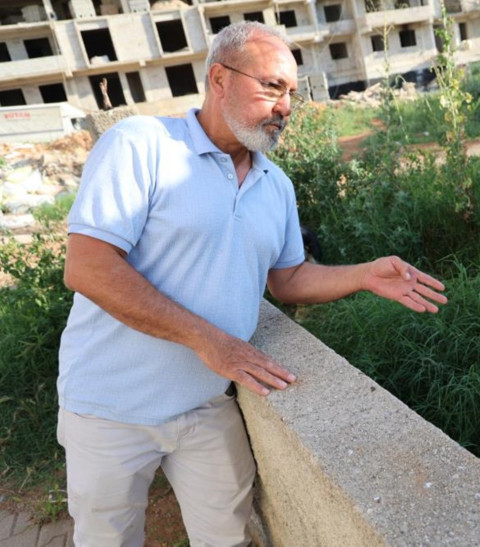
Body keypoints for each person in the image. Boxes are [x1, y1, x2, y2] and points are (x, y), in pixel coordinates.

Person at [57, 21, 447, 546]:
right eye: (271, 86)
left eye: (291, 92)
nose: (286, 105)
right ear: (219, 80)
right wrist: (209, 341)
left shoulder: (275, 185)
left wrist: (364, 275)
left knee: (230, 537)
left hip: (205, 405)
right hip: (109, 409)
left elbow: (286, 279)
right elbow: (88, 267)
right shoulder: (142, 145)